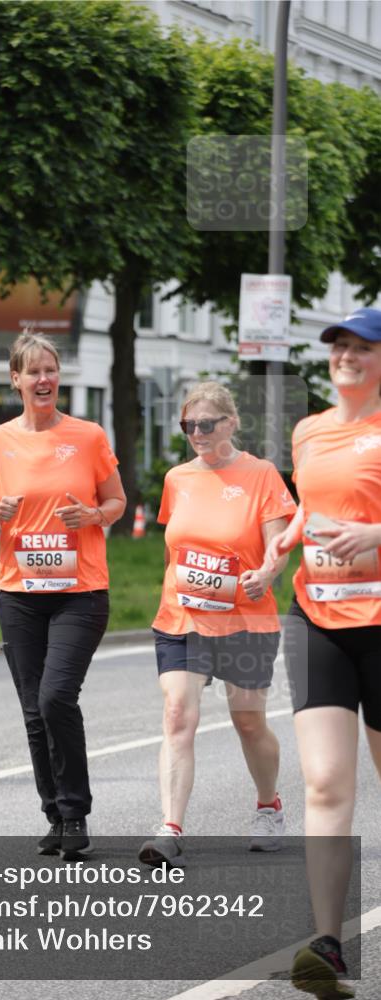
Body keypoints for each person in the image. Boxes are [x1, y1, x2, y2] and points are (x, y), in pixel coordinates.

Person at [0, 331, 126, 859]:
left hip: (80, 590)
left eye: (50, 370)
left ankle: (76, 809)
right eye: (32, 371)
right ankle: (54, 814)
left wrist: (95, 515)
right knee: (34, 710)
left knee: (57, 696)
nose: (43, 379)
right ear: (15, 379)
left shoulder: (87, 436)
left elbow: (118, 501)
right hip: (20, 594)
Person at [262, 308, 381, 1000]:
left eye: (360, 348)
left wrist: (376, 537)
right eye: (337, 347)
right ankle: (327, 946)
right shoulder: (307, 430)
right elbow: (311, 503)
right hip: (316, 618)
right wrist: (286, 540)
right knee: (326, 784)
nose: (345, 357)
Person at [139, 381, 296, 869]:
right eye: (189, 426)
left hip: (246, 618)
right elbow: (174, 547)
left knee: (248, 721)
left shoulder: (261, 474)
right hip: (182, 616)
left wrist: (267, 574)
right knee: (177, 715)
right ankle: (169, 828)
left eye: (207, 424)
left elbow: (279, 545)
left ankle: (269, 805)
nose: (198, 434)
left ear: (231, 423)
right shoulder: (178, 478)